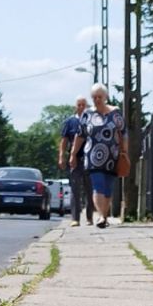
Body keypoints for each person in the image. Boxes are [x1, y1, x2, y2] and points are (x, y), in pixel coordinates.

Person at [70, 83, 127, 229]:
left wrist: (124, 152)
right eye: (94, 97)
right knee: (98, 185)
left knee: (108, 189)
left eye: (99, 97)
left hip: (112, 157)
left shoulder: (115, 113)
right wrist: (73, 154)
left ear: (106, 97)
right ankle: (101, 216)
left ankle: (104, 216)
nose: (97, 100)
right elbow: (80, 135)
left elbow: (123, 133)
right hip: (93, 157)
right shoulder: (88, 114)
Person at [57, 96, 92, 226]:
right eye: (79, 105)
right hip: (75, 159)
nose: (82, 107)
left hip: (90, 159)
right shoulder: (69, 122)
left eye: (84, 105)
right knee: (75, 189)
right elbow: (64, 141)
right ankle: (75, 218)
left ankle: (89, 218)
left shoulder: (92, 121)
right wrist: (61, 156)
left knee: (90, 189)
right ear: (75, 107)